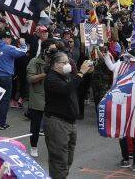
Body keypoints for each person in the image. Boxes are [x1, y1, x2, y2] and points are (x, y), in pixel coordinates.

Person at [43, 50, 93, 178]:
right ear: (55, 64)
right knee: (59, 160)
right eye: (64, 62)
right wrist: (81, 72)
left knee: (68, 159)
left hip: (70, 123)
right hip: (57, 123)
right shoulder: (51, 78)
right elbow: (66, 90)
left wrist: (86, 72)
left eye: (68, 62)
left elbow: (77, 86)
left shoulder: (67, 75)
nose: (68, 65)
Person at [0, 30, 28, 130]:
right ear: (4, 38)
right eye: (9, 38)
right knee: (5, 100)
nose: (10, 40)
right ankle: (2, 123)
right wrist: (23, 44)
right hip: (5, 77)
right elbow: (23, 52)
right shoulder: (8, 48)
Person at [26, 41, 53, 158]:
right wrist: (45, 74)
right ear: (45, 50)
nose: (52, 53)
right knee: (36, 126)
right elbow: (30, 78)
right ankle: (34, 146)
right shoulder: (34, 62)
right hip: (38, 97)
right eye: (51, 50)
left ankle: (53, 149)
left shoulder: (56, 62)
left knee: (53, 126)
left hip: (52, 97)